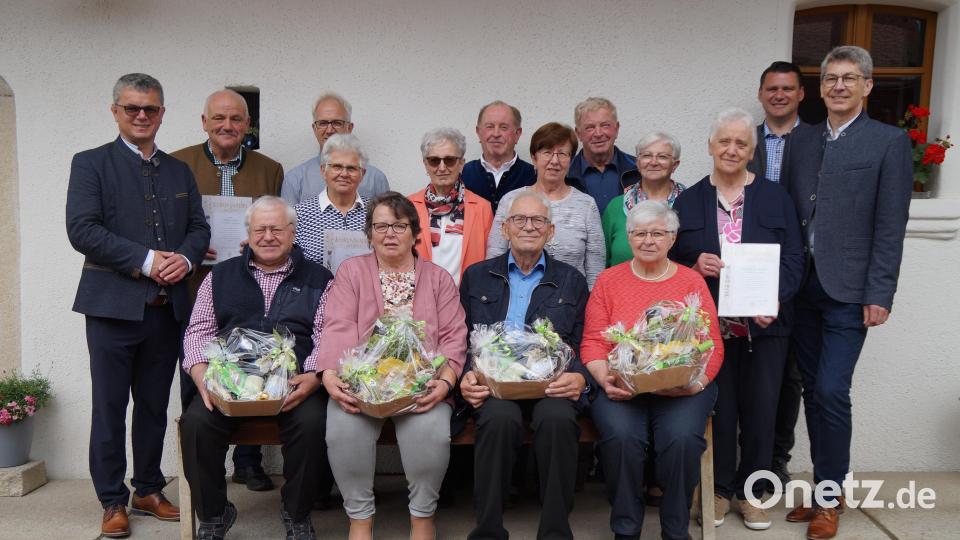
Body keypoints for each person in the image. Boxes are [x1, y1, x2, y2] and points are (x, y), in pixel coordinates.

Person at [65, 73, 210, 538]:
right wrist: (147, 261)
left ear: (162, 113)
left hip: (166, 310)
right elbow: (82, 229)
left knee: (153, 405)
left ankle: (147, 488)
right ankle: (112, 499)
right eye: (132, 108)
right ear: (116, 112)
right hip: (111, 308)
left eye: (150, 108)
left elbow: (199, 228)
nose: (142, 115)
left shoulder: (179, 170)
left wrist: (185, 258)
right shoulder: (90, 164)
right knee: (109, 407)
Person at [780, 45, 913, 540]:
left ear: (867, 86)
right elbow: (787, 214)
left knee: (832, 390)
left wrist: (881, 291)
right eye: (831, 78)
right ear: (820, 87)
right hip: (802, 288)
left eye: (849, 78)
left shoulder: (888, 142)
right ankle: (824, 491)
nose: (838, 86)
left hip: (850, 291)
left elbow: (890, 225)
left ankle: (830, 497)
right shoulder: (801, 139)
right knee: (812, 391)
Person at [670, 108, 804, 531]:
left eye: (741, 143)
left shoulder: (776, 198)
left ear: (752, 150)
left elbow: (795, 258)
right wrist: (693, 265)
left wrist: (776, 299)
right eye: (724, 141)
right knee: (721, 411)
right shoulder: (689, 200)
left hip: (766, 327)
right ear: (710, 146)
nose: (731, 149)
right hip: (713, 331)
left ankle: (754, 493)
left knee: (763, 410)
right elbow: (671, 262)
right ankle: (719, 489)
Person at [180, 196, 333, 540]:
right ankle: (214, 515)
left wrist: (314, 377)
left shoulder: (319, 278)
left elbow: (327, 333)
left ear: (292, 233)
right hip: (227, 383)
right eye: (260, 229)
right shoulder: (219, 276)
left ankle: (297, 514)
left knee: (313, 423)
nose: (268, 237)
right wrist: (201, 374)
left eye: (276, 229)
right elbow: (198, 331)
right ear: (248, 233)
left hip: (294, 384)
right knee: (196, 424)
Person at [318, 192, 467, 540]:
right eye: (380, 226)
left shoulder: (438, 278)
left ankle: (422, 516)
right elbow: (338, 325)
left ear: (415, 233)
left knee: (431, 432)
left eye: (399, 226)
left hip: (421, 385)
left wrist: (445, 382)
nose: (389, 234)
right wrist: (330, 374)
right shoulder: (351, 272)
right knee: (343, 430)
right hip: (362, 384)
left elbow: (454, 335)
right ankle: (359, 518)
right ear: (369, 233)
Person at [580, 200, 723, 540]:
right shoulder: (608, 280)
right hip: (621, 386)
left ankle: (675, 529)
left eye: (657, 233)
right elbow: (593, 341)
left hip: (682, 389)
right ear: (629, 238)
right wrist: (605, 380)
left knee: (682, 439)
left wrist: (697, 384)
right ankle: (626, 528)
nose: (648, 240)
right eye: (640, 233)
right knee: (622, 438)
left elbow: (712, 344)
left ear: (672, 238)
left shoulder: (691, 282)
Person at [171, 88, 285, 493]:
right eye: (218, 118)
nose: (227, 125)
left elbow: (274, 223)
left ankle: (248, 463)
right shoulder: (178, 164)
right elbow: (167, 225)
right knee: (197, 371)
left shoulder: (269, 169)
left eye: (236, 119)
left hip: (250, 287)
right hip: (193, 286)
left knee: (254, 369)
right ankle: (206, 467)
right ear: (204, 122)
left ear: (247, 125)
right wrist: (188, 245)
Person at [459, 190, 589, 539]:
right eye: (519, 219)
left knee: (558, 420)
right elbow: (460, 337)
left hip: (551, 385)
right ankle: (488, 530)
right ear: (505, 229)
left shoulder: (572, 280)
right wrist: (466, 375)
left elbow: (583, 341)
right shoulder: (476, 276)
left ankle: (555, 532)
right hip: (495, 386)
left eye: (538, 221)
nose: (528, 227)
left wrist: (580, 378)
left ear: (550, 231)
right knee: (499, 420)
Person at [746, 61, 812, 488]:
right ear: (761, 94)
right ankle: (748, 459)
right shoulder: (745, 140)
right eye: (772, 88)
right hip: (750, 272)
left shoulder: (818, 140)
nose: (779, 95)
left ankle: (777, 458)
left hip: (802, 271)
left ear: (801, 94)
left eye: (788, 88)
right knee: (755, 370)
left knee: (791, 374)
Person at [487, 122, 605, 289]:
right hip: (515, 296)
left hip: (570, 298)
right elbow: (495, 257)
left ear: (570, 160)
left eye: (562, 154)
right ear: (534, 158)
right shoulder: (511, 200)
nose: (554, 161)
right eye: (547, 153)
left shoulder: (586, 205)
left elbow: (595, 269)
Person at [409, 128, 493, 284]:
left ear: (461, 163)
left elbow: (490, 260)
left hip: (466, 295)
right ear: (425, 165)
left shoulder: (482, 208)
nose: (442, 168)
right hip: (421, 293)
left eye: (449, 160)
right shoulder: (408, 206)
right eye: (434, 160)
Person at [282, 92, 390, 204]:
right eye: (323, 123)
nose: (329, 130)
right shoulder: (295, 179)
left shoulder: (376, 179)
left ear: (349, 128)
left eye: (337, 123)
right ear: (314, 128)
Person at [603, 132, 687, 267]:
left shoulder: (691, 204)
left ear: (675, 165)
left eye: (662, 157)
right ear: (637, 162)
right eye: (647, 155)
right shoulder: (616, 206)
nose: (653, 162)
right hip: (621, 280)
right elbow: (602, 259)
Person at [295, 133, 370, 265]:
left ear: (362, 174)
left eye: (351, 168)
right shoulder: (300, 214)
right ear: (323, 170)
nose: (344, 174)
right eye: (337, 167)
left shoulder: (375, 212)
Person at [460, 101, 537, 212]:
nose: (496, 134)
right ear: (478, 132)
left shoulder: (534, 177)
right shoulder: (462, 175)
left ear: (517, 134)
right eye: (489, 127)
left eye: (504, 127)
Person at [567, 97, 637, 214]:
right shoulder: (565, 174)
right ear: (578, 133)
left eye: (605, 125)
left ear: (616, 129)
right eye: (590, 127)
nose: (598, 134)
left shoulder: (638, 170)